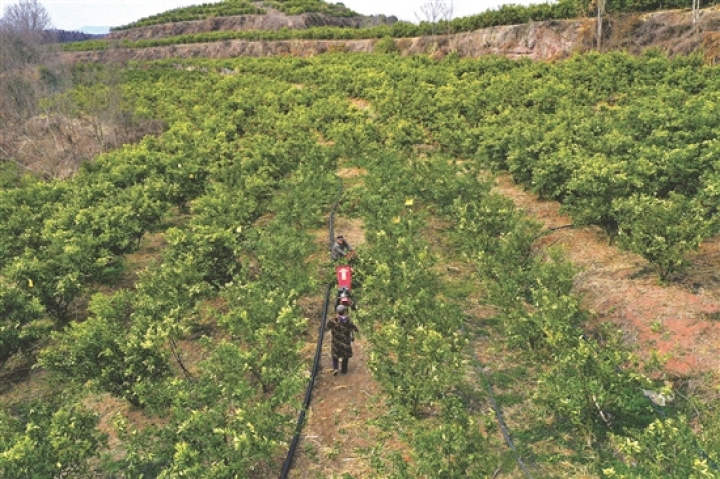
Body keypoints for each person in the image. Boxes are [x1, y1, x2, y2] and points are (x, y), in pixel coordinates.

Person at [326, 304, 359, 376]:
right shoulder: (348, 320)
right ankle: (344, 370)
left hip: (336, 342)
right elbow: (354, 327)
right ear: (344, 311)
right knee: (345, 356)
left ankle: (336, 368)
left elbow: (326, 328)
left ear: (337, 312)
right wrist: (356, 330)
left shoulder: (333, 320)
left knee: (335, 355)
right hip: (345, 341)